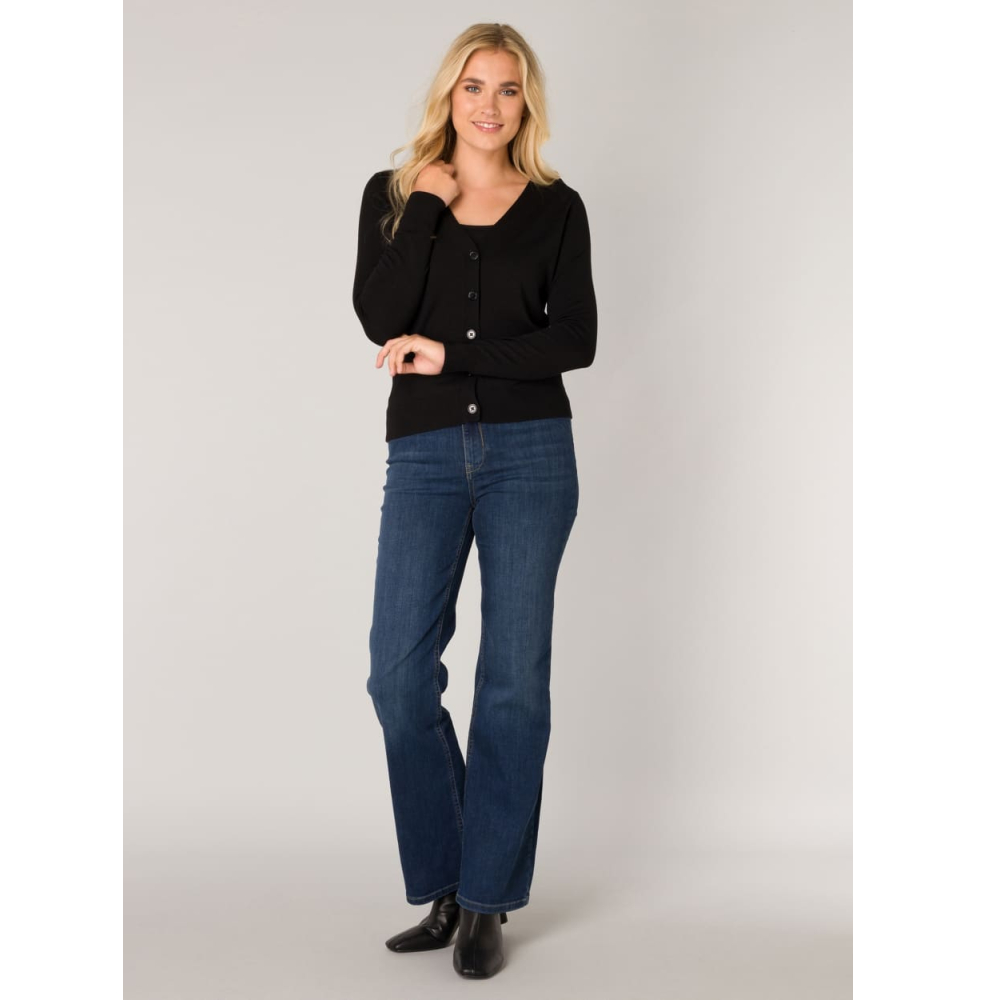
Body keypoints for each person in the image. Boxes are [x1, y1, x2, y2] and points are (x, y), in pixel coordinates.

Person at [352, 22, 598, 980]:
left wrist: (453, 354)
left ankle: (487, 899)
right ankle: (449, 882)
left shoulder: (557, 208)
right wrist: (427, 203)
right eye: (472, 86)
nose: (489, 105)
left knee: (512, 684)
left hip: (531, 455)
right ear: (448, 95)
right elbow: (380, 316)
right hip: (422, 454)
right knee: (398, 678)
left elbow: (572, 340)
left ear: (525, 102)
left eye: (507, 88)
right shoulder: (393, 195)